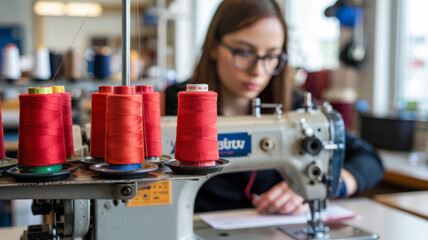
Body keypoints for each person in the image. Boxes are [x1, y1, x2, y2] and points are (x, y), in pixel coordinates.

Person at [165, 0, 384, 215]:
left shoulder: (295, 106)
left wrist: (325, 186)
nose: (258, 70)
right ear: (213, 47)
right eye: (244, 52)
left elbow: (369, 158)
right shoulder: (170, 105)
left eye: (271, 56)